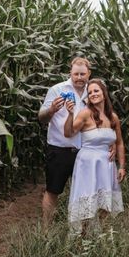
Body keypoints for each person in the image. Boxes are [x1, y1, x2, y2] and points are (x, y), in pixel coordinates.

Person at [63, 78, 125, 234]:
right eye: (89, 92)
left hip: (107, 163)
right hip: (87, 163)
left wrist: (122, 166)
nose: (93, 94)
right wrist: (70, 114)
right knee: (88, 200)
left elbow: (119, 143)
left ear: (104, 93)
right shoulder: (85, 114)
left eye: (96, 90)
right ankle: (83, 236)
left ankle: (101, 235)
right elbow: (68, 133)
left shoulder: (113, 117)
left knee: (105, 202)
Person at [38, 57, 92, 227]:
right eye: (76, 74)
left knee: (85, 193)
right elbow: (41, 118)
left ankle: (81, 233)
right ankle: (46, 232)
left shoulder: (93, 91)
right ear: (70, 73)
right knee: (53, 191)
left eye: (83, 74)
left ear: (88, 74)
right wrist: (52, 109)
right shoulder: (57, 90)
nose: (79, 77)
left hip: (84, 150)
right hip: (59, 149)